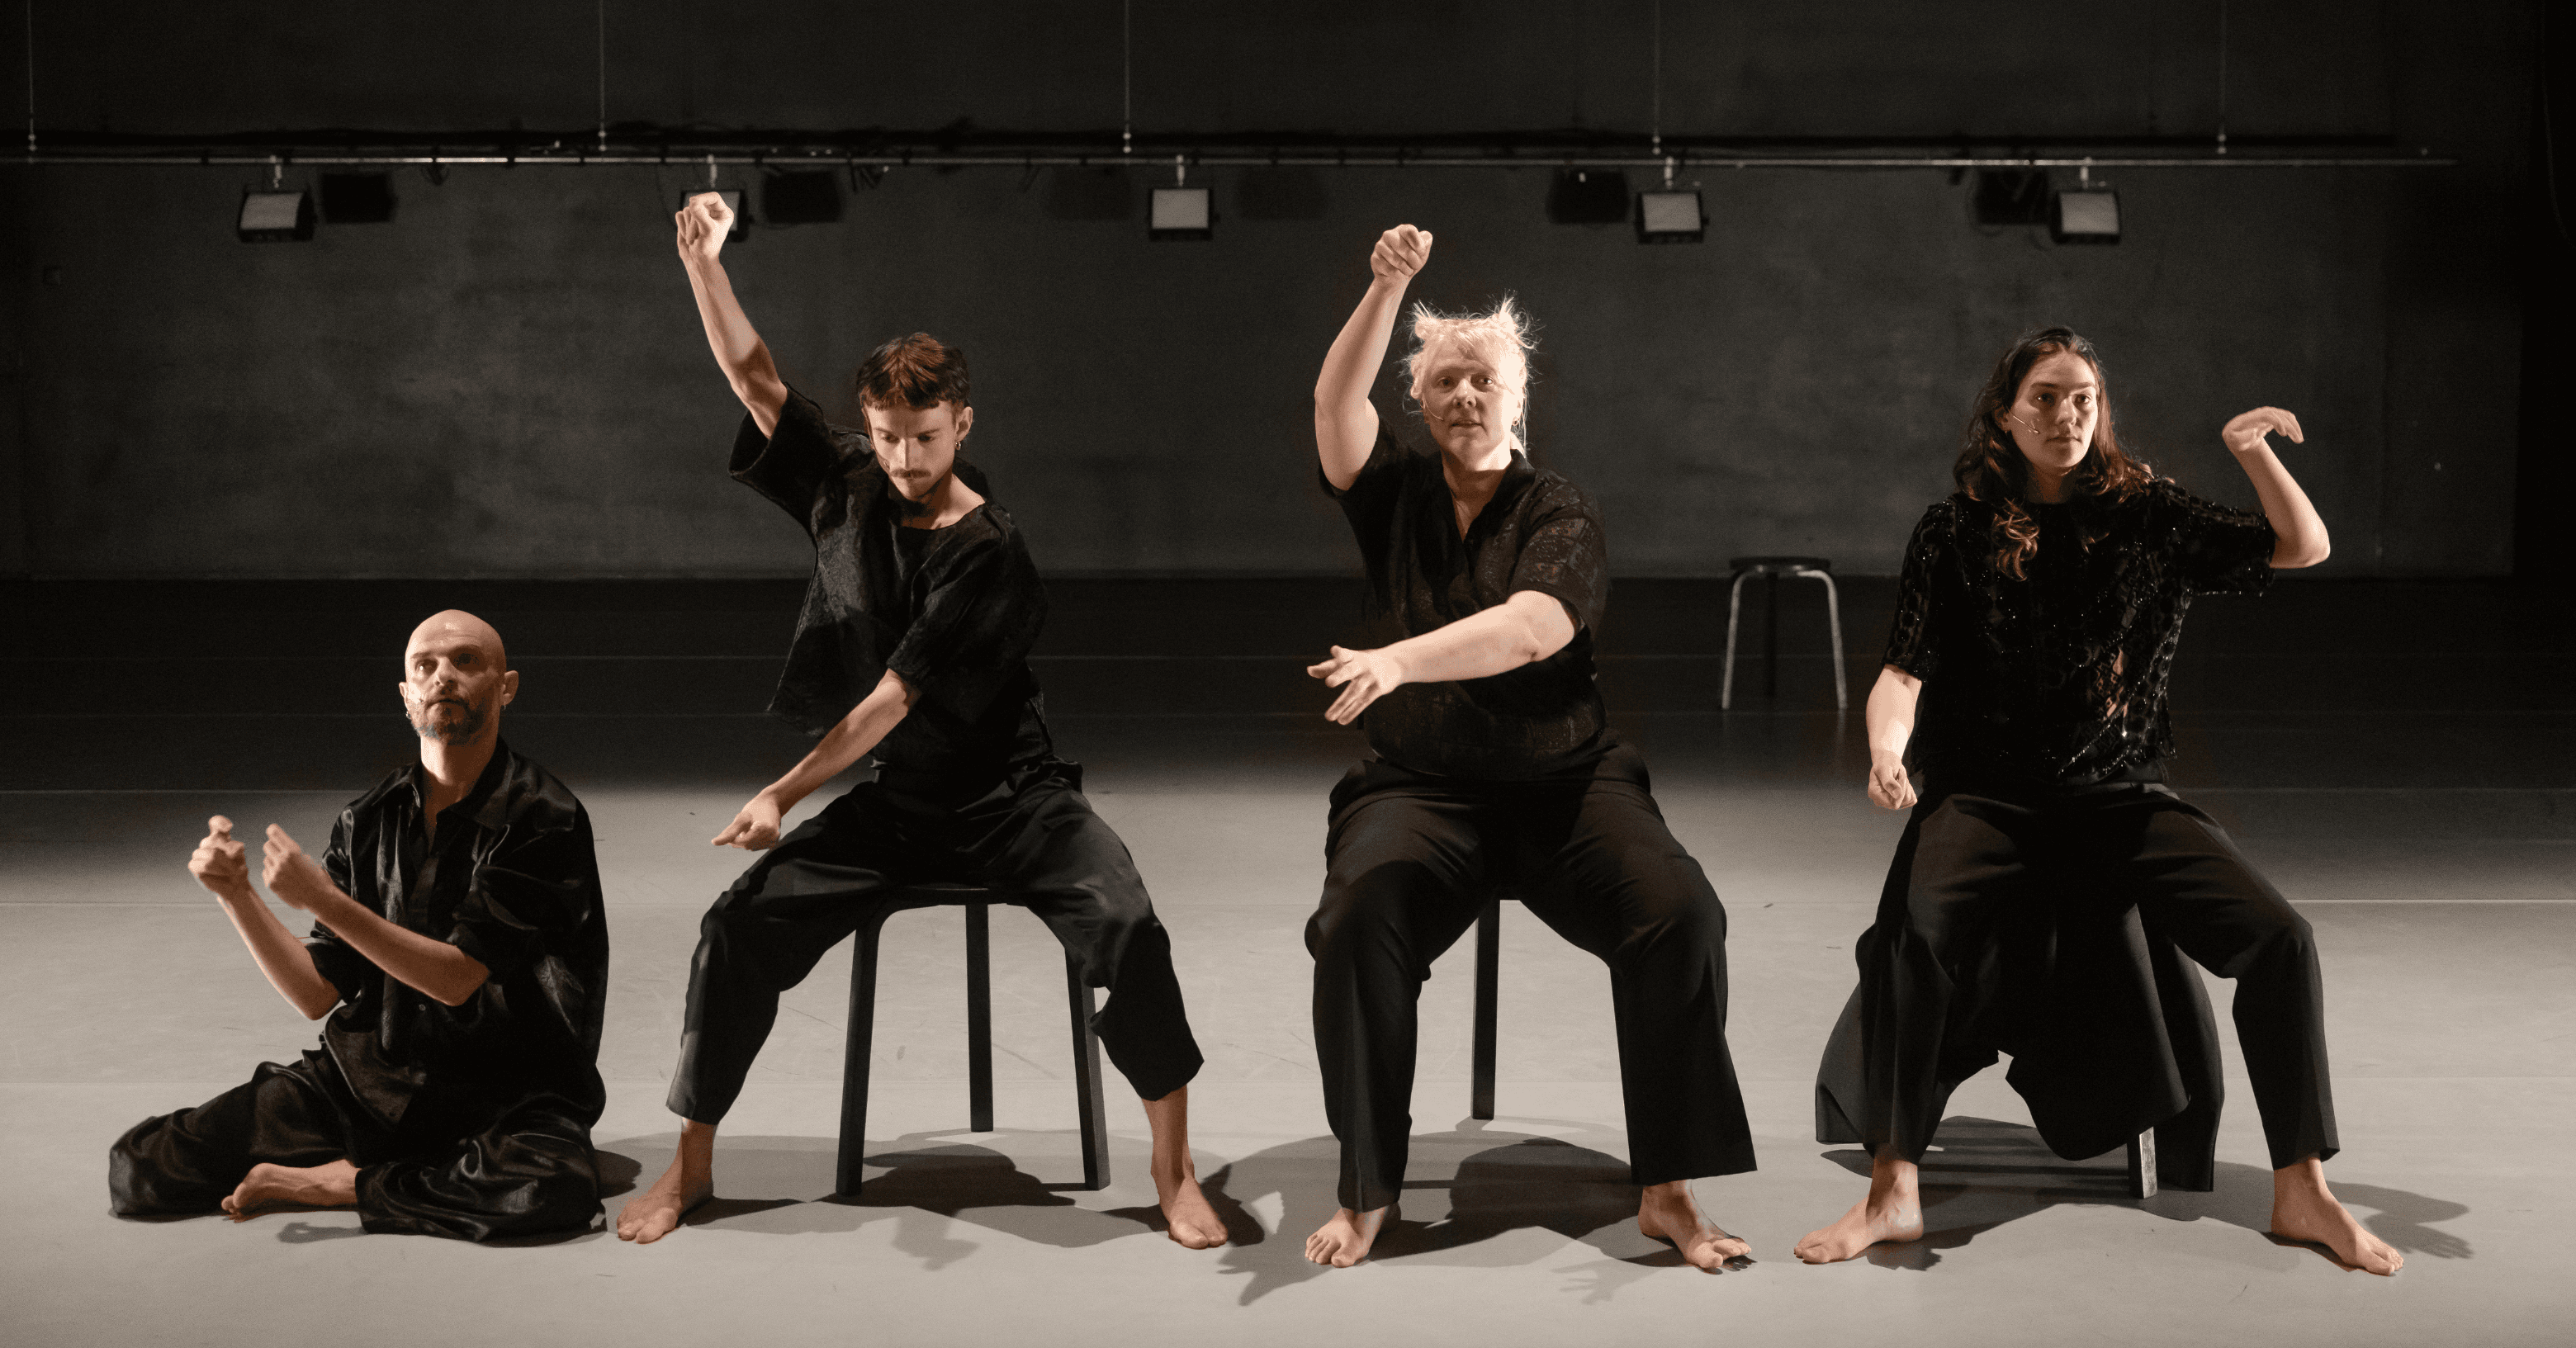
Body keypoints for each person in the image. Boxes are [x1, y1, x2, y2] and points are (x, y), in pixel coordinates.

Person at [616, 192, 1223, 1249]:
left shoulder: (989, 549)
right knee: (734, 927)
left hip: (1015, 803)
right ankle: (690, 1168)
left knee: (1128, 928)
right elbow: (755, 380)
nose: (903, 459)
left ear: (964, 426)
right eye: (890, 437)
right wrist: (704, 264)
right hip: (902, 809)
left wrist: (782, 792)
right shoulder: (848, 483)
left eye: (924, 439)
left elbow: (894, 697)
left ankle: (1174, 1174)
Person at [1792, 327, 2402, 1275]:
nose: (2066, 414)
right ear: (2005, 412)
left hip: (2117, 796)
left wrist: (2252, 454)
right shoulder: (1954, 530)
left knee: (2281, 940)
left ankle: (2302, 1189)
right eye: (2044, 396)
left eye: (2082, 398)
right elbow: (1903, 671)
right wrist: (1884, 750)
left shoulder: (2147, 513)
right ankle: (1893, 1187)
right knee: (1916, 939)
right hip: (1986, 798)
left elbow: (2303, 545)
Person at [1298, 224, 1756, 1270]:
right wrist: (1385, 287)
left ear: (1518, 402)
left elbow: (1536, 626)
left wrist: (1400, 659)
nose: (1464, 394)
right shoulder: (1394, 497)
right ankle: (1368, 1188)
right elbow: (1334, 408)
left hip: (1565, 789)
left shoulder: (1560, 509)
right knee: (1358, 918)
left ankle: (1669, 1190)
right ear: (1421, 402)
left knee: (1679, 914)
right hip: (1420, 789)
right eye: (1446, 379)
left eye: (1483, 379)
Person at [109, 611, 611, 1241]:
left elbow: (456, 980)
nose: (443, 677)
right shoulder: (368, 819)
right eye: (424, 666)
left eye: (465, 661)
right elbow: (317, 992)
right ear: (406, 695)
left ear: (506, 686)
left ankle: (341, 1182)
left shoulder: (544, 818)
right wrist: (238, 895)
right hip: (369, 1080)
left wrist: (326, 901)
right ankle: (411, 1173)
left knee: (546, 1188)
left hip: (506, 1095)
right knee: (140, 1166)